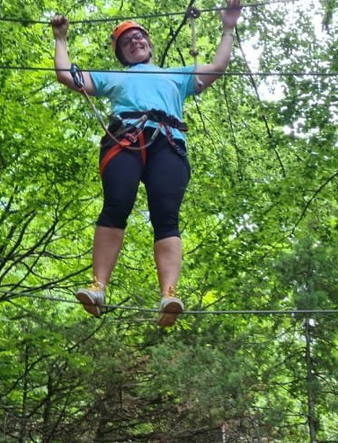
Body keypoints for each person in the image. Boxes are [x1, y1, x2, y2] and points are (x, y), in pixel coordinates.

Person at [51, 1, 243, 327]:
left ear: (149, 45)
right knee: (116, 205)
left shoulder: (177, 76)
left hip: (168, 143)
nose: (135, 42)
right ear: (121, 54)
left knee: (166, 216)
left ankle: (169, 293)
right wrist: (60, 39)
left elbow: (218, 67)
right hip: (125, 140)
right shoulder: (113, 77)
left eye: (140, 38)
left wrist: (228, 27)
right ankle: (98, 287)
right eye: (127, 42)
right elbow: (66, 76)